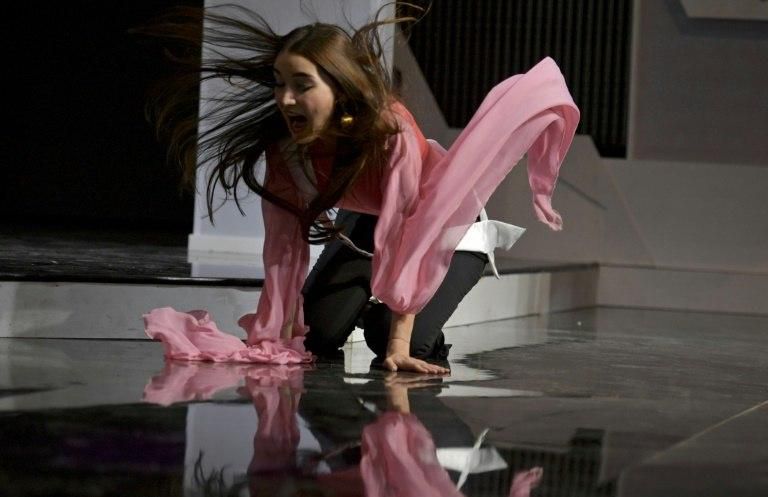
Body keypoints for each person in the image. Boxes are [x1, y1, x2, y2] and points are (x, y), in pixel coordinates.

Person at [140, 5, 579, 374]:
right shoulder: (287, 149)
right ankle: (373, 300)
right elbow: (282, 248)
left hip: (444, 232)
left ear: (339, 85)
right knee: (317, 336)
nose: (285, 98)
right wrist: (274, 333)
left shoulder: (391, 133)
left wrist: (398, 343)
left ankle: (394, 315)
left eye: (302, 85)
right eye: (279, 82)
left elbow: (413, 235)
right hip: (370, 227)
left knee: (396, 343)